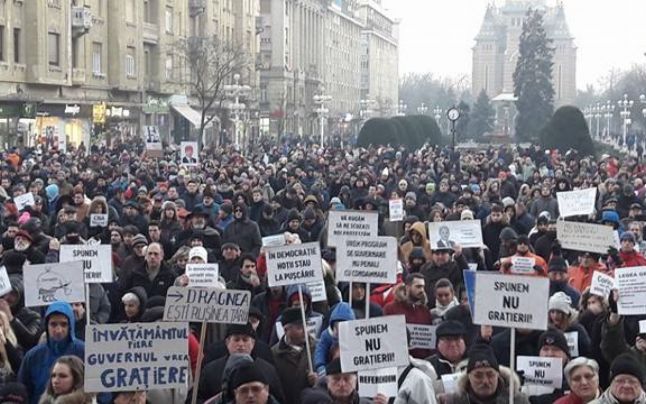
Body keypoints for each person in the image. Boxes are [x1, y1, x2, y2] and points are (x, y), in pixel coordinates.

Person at [18, 302, 85, 404]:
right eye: (53, 324)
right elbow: (22, 391)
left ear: (71, 325)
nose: (58, 330)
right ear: (46, 326)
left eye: (64, 324)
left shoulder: (84, 351)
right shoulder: (33, 356)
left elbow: (98, 388)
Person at [440, 344, 529, 404]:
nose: (485, 381)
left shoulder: (517, 400)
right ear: (469, 377)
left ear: (498, 375)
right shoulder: (453, 401)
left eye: (490, 375)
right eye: (478, 376)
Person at [271, 308, 317, 404]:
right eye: (300, 327)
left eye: (306, 325)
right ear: (286, 330)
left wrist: (318, 381)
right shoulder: (274, 354)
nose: (305, 331)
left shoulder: (317, 348)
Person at [384, 274, 433, 358]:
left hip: (423, 361)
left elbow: (430, 339)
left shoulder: (425, 310)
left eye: (423, 287)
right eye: (418, 287)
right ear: (407, 287)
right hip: (399, 359)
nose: (422, 290)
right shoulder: (390, 309)